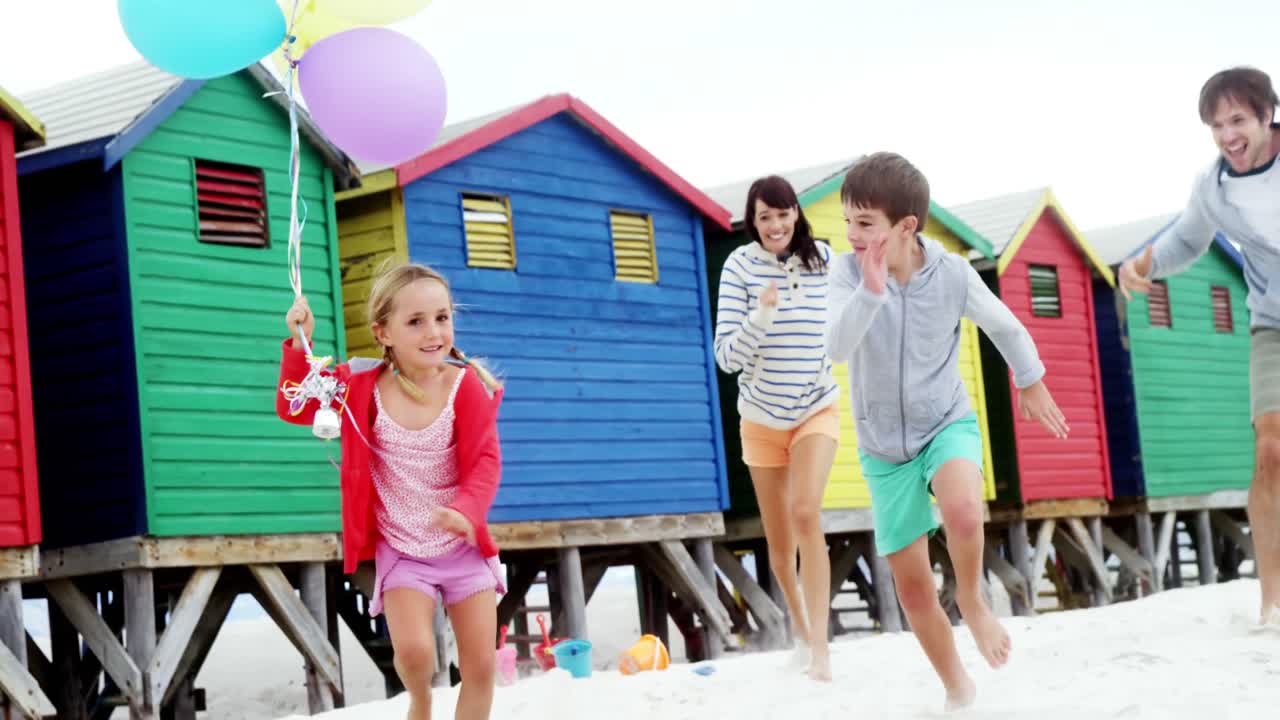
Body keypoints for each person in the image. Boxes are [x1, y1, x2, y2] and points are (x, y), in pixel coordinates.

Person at [825, 152, 1069, 710]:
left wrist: (1031, 381)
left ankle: (973, 599)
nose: (853, 235)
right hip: (883, 448)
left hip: (945, 422)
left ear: (907, 227)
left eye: (866, 224)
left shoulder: (953, 274)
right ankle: (957, 686)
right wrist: (870, 290)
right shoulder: (844, 273)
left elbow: (1004, 326)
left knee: (962, 509)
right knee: (911, 589)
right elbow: (836, 348)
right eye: (848, 222)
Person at [277, 262, 504, 720]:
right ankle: (419, 698)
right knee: (418, 653)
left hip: (463, 547)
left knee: (479, 667)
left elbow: (485, 461)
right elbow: (292, 403)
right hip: (402, 550)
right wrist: (300, 342)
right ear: (383, 333)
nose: (433, 331)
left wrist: (465, 509)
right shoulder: (359, 385)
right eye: (416, 321)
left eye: (442, 317)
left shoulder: (464, 388)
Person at [1119, 66, 1280, 627]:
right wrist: (1142, 264)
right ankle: (1274, 601)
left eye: (1238, 120)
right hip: (1273, 323)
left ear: (1267, 116)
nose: (1227, 135)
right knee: (1270, 451)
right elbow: (1187, 239)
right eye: (1216, 125)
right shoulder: (1213, 187)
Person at [714, 175, 841, 682]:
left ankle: (822, 651)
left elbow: (861, 304)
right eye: (764, 216)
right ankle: (801, 630)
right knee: (780, 543)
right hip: (761, 421)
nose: (775, 225)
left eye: (782, 213)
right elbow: (726, 357)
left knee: (807, 512)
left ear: (796, 213)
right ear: (753, 220)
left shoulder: (826, 261)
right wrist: (761, 317)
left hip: (815, 407)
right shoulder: (739, 266)